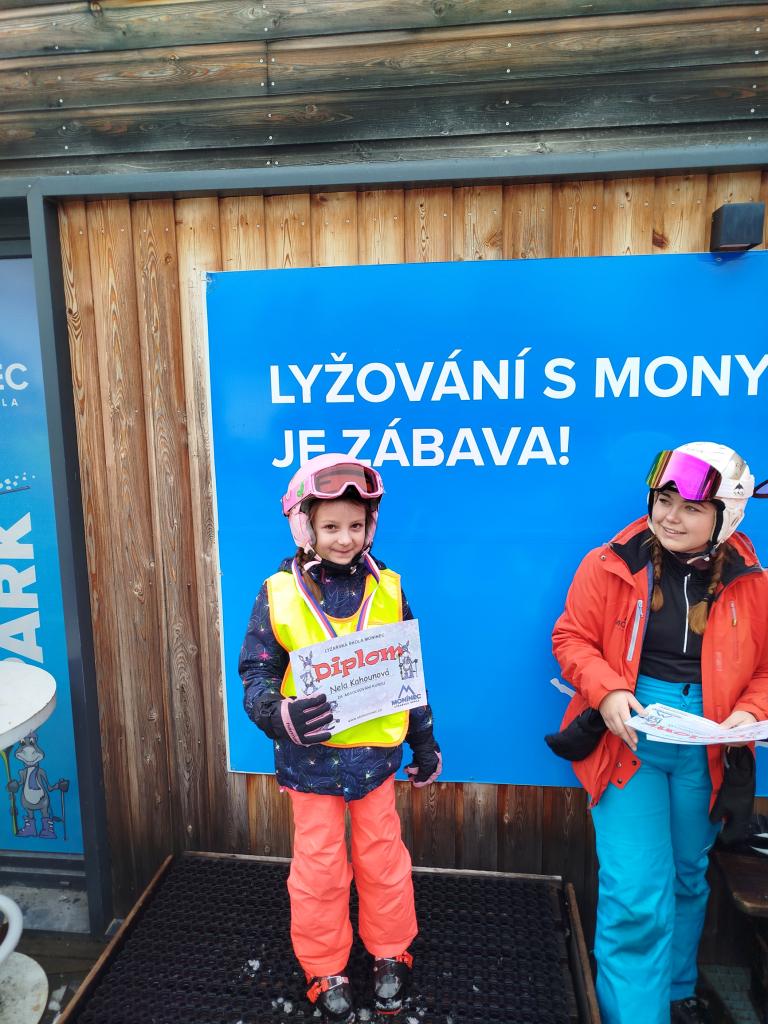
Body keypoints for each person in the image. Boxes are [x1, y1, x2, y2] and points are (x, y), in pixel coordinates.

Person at [549, 441, 768, 1024]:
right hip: (632, 735)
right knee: (636, 892)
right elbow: (571, 637)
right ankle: (634, 1014)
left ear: (726, 515)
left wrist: (749, 711)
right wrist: (607, 691)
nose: (670, 517)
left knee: (688, 876)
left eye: (691, 508)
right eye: (663, 500)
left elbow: (766, 670)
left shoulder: (752, 580)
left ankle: (676, 991)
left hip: (709, 740)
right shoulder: (611, 563)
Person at [239, 454, 441, 1023]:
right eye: (330, 526)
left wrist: (424, 743)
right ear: (304, 526)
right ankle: (325, 964)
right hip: (311, 763)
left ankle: (390, 950)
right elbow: (256, 672)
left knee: (382, 859)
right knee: (320, 868)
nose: (345, 538)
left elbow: (408, 673)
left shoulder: (388, 588)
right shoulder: (279, 592)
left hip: (375, 761)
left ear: (370, 526)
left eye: (356, 525)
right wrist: (278, 714)